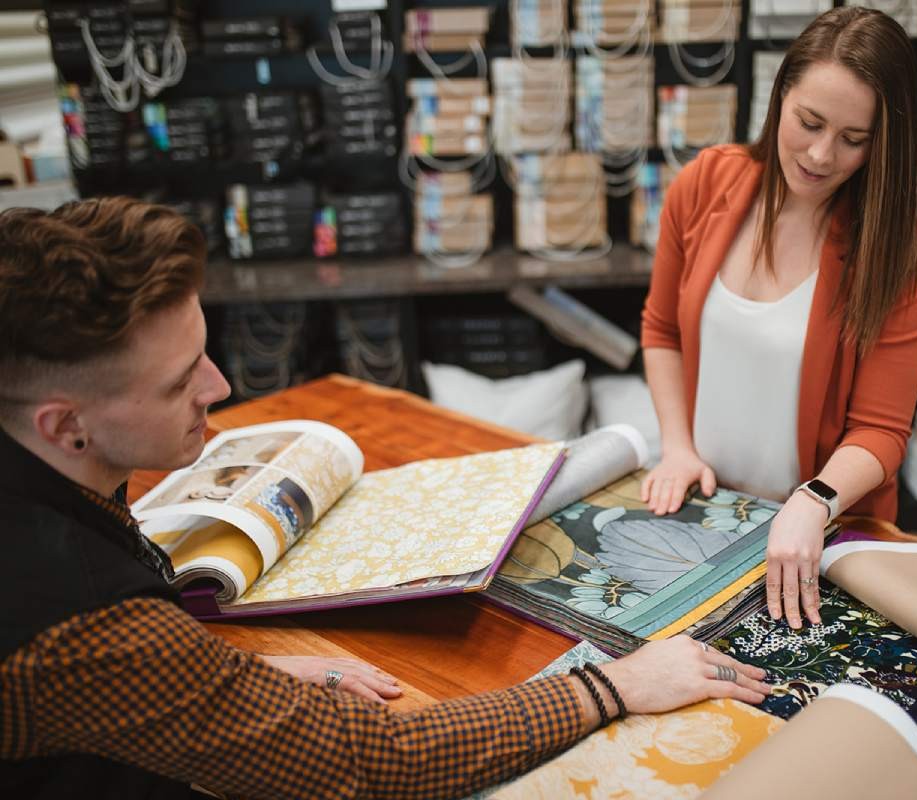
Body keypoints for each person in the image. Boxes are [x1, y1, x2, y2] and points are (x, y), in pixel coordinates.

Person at [0, 197, 771, 799]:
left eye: (204, 354)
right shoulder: (83, 620)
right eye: (178, 383)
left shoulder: (43, 466)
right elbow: (374, 762)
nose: (221, 388)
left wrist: (215, 678)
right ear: (65, 424)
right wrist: (614, 683)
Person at [640, 7, 917, 632]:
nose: (821, 154)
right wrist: (676, 446)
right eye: (808, 123)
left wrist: (815, 501)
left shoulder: (897, 249)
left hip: (820, 536)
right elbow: (663, 330)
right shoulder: (705, 183)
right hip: (707, 506)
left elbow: (882, 430)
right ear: (780, 99)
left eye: (854, 139)